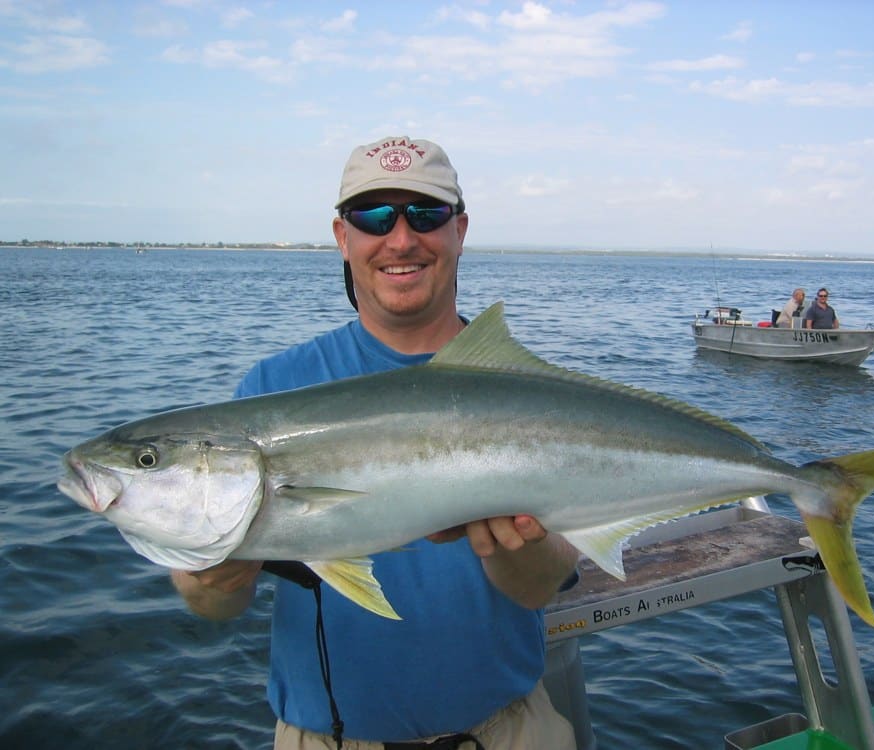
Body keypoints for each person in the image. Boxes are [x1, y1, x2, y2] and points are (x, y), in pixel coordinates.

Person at [171, 136, 580, 750]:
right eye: (373, 216)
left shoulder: (526, 392)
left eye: (425, 213)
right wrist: (207, 579)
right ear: (342, 237)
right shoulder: (274, 389)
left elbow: (538, 589)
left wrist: (516, 550)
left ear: (459, 230)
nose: (400, 238)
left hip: (512, 730)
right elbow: (217, 611)